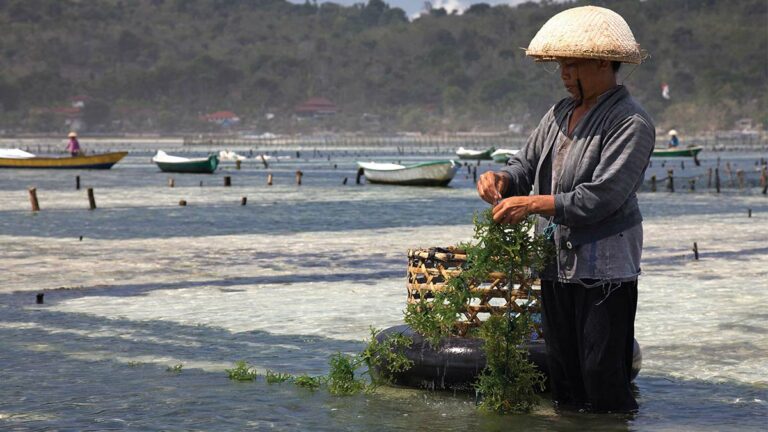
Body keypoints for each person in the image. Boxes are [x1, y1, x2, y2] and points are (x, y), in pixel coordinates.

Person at [476, 5, 655, 413]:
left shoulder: (631, 122)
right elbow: (524, 164)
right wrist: (502, 181)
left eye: (571, 65)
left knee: (601, 375)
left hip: (605, 269)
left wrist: (534, 204)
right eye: (560, 65)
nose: (562, 74)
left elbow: (603, 196)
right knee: (566, 376)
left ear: (602, 64)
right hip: (556, 262)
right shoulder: (559, 114)